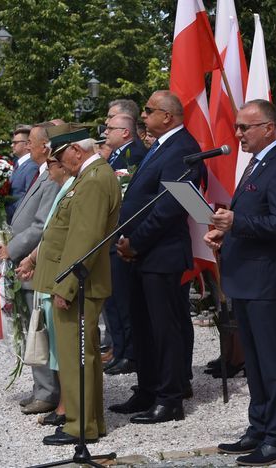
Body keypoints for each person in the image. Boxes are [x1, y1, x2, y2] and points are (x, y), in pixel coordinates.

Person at [204, 99, 276, 466]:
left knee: (272, 363)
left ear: (269, 128)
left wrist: (237, 224)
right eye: (237, 126)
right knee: (255, 364)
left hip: (266, 282)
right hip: (245, 278)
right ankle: (259, 428)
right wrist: (225, 233)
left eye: (245, 127)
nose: (238, 134)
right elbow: (250, 216)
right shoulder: (256, 164)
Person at [110, 90, 203, 424]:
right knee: (143, 326)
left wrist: (135, 242)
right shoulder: (161, 145)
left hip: (161, 254)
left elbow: (169, 207)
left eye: (148, 110)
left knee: (165, 329)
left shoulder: (183, 149)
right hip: (140, 254)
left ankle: (170, 397)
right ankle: (148, 389)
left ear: (167, 116)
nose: (143, 116)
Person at [29, 131, 121, 445]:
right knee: (82, 355)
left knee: (76, 356)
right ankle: (89, 422)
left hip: (80, 285)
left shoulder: (93, 180)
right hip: (79, 283)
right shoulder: (91, 176)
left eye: (59, 156)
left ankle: (79, 425)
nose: (58, 163)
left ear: (75, 151)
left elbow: (84, 240)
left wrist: (65, 287)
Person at [0, 123, 62, 417]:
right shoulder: (42, 174)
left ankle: (48, 392)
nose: (29, 147)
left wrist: (12, 248)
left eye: (32, 143)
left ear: (44, 147)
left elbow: (41, 225)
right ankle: (42, 388)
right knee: (32, 326)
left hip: (35, 262)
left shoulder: (51, 178)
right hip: (26, 260)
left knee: (40, 328)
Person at [16, 153, 75, 427]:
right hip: (42, 263)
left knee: (57, 337)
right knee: (45, 331)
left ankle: (64, 403)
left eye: (53, 162)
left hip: (57, 272)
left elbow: (48, 229)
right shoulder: (58, 183)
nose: (49, 167)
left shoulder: (69, 186)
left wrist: (25, 254)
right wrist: (31, 258)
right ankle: (59, 400)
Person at [101, 111, 147, 376]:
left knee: (123, 299)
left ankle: (130, 352)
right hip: (111, 235)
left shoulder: (134, 155)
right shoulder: (117, 155)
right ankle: (119, 349)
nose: (105, 132)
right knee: (113, 300)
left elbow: (125, 195)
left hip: (121, 235)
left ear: (125, 132)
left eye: (110, 128)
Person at [6, 125, 38, 221]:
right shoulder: (18, 163)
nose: (12, 145)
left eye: (15, 143)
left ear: (27, 144)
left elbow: (30, 197)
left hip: (20, 219)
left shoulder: (32, 166)